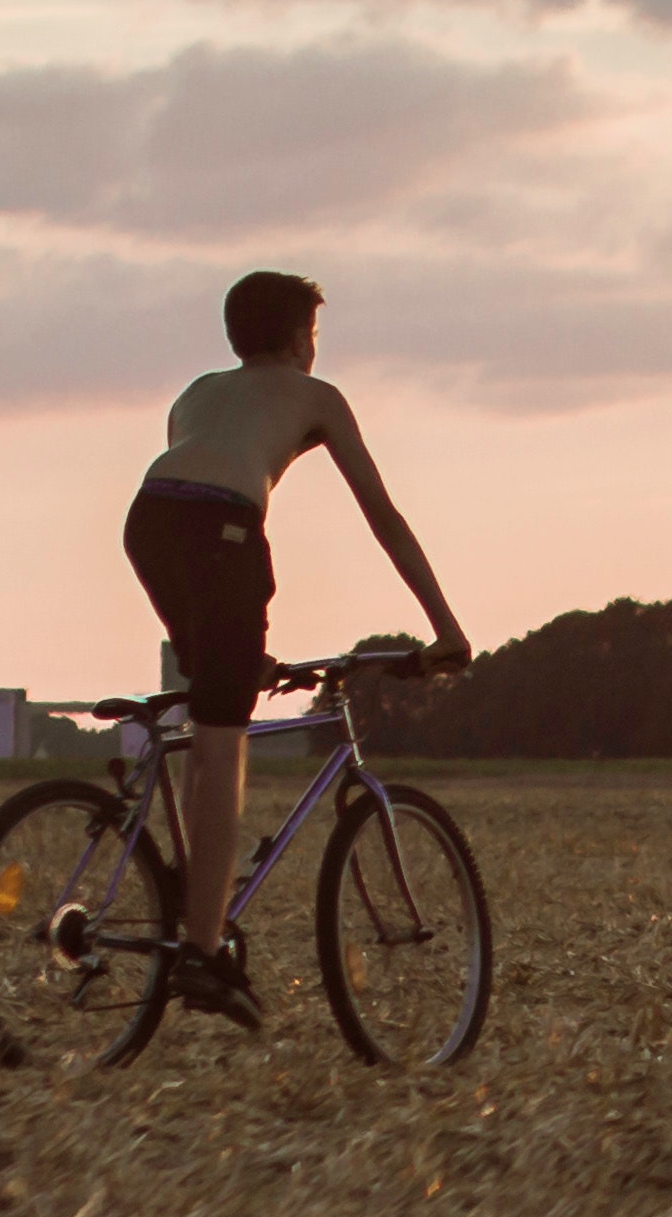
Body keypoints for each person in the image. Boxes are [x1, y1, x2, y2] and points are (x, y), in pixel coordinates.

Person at [124, 269, 469, 1033]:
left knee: (215, 700)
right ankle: (206, 951)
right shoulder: (317, 397)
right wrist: (446, 626)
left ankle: (189, 899)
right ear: (293, 339)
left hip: (147, 521)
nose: (316, 350)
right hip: (223, 527)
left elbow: (189, 492)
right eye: (313, 335)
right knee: (225, 743)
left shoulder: (195, 394)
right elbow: (384, 516)